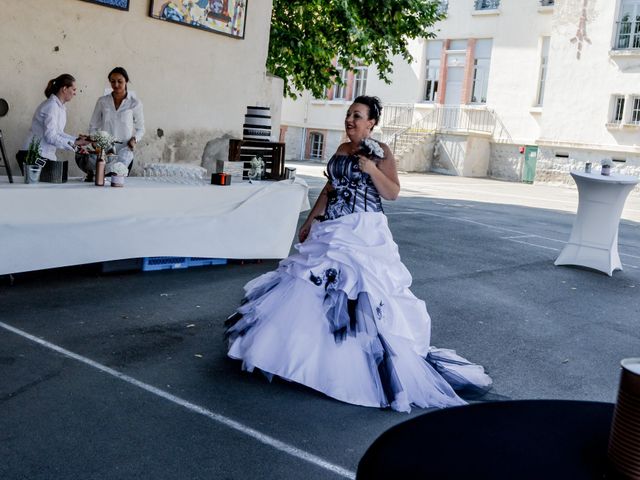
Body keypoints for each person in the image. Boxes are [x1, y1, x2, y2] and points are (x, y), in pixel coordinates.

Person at [225, 96, 492, 413]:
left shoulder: (381, 152)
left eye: (357, 116)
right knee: (305, 285)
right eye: (349, 114)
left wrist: (370, 168)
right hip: (333, 228)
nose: (350, 120)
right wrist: (310, 221)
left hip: (363, 231)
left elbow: (392, 192)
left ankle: (348, 368)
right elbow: (330, 189)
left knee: (357, 294)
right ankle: (294, 356)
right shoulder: (339, 150)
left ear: (371, 123)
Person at [19, 73, 90, 169]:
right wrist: (75, 146)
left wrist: (76, 141)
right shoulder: (51, 106)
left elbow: (58, 133)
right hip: (33, 154)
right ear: (64, 89)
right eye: (73, 89)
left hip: (43, 154)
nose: (75, 93)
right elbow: (50, 137)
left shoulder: (60, 107)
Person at [88, 67, 145, 173]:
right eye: (113, 81)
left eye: (120, 81)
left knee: (119, 185)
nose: (116, 85)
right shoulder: (102, 102)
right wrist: (94, 141)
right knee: (102, 184)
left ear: (126, 81)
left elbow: (141, 128)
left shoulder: (135, 103)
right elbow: (93, 126)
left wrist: (135, 139)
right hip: (105, 153)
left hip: (125, 153)